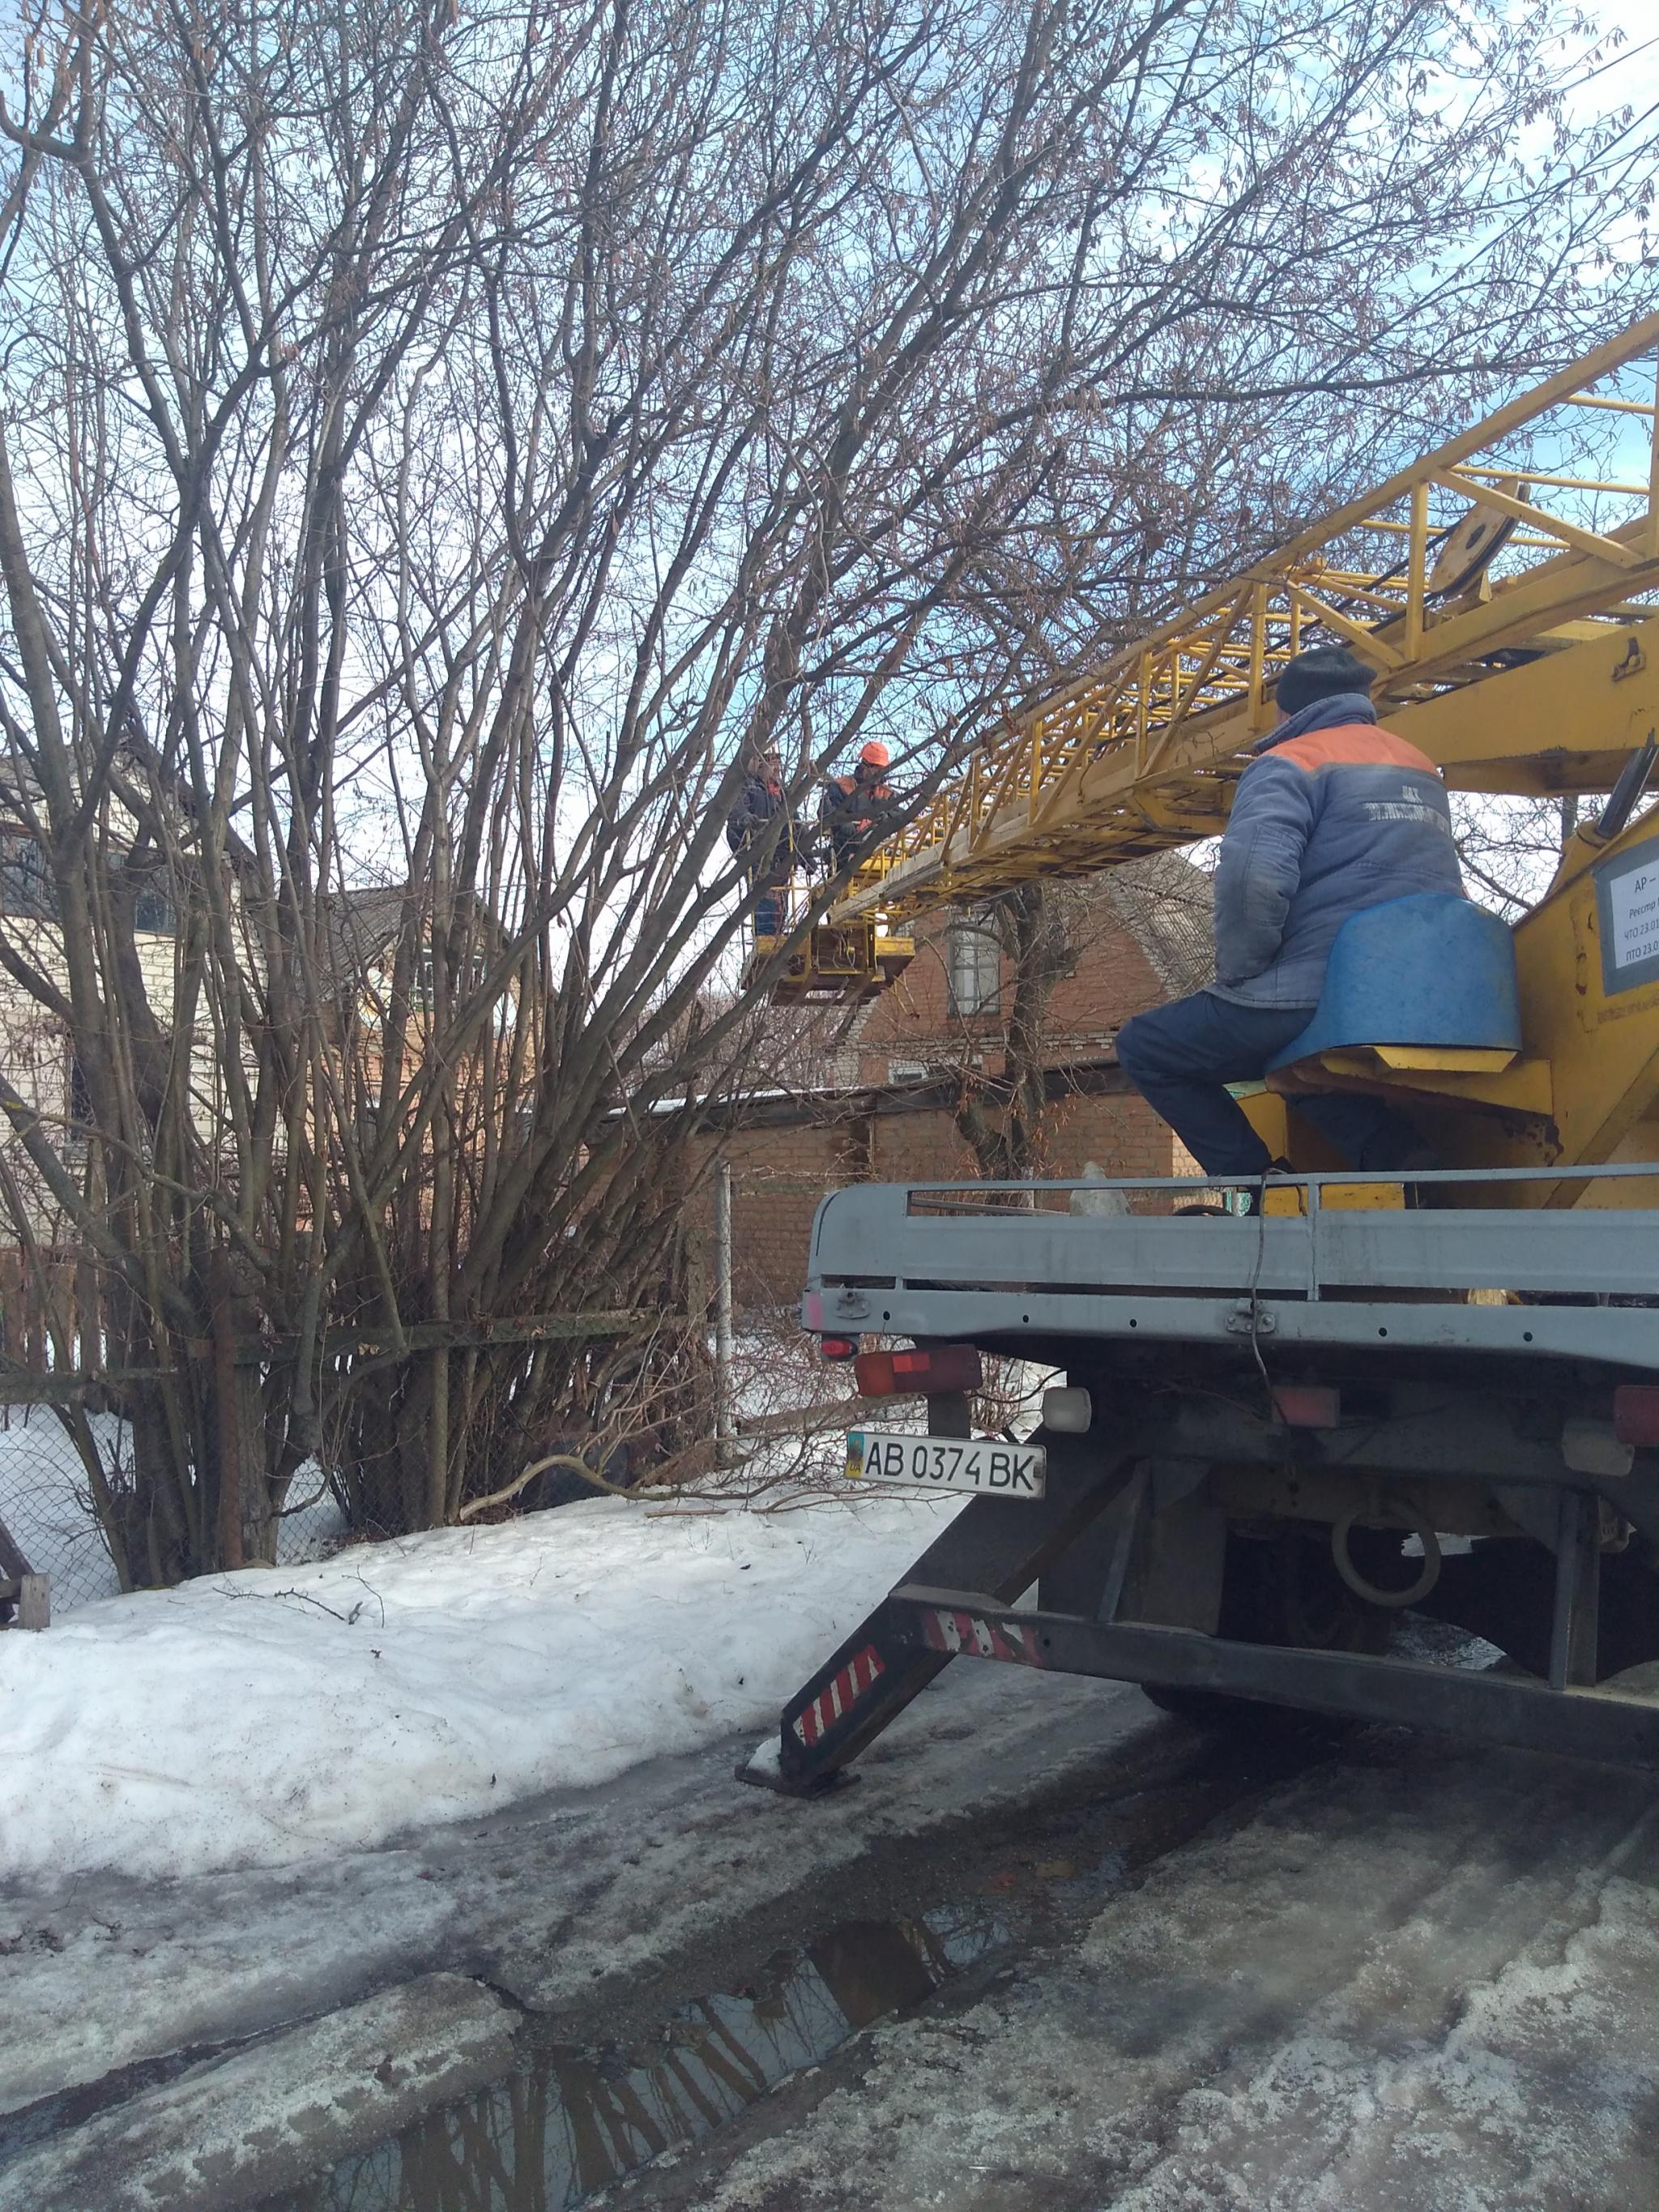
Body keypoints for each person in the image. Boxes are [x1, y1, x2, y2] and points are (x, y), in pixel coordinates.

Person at [1115, 645, 1465, 1186]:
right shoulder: (1418, 765)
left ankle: (1256, 1183)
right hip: (1429, 991)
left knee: (1147, 1047)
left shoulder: (1290, 760)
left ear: (1289, 711)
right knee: (1294, 1065)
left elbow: (1252, 879)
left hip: (1326, 987)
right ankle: (1401, 1158)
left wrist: (1240, 974)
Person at [726, 746, 801, 937]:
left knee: (781, 904)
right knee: (764, 905)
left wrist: (805, 854)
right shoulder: (749, 787)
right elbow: (736, 808)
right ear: (760, 763)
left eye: (778, 763)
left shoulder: (783, 795)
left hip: (782, 859)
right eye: (772, 763)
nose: (777, 768)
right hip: (758, 859)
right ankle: (765, 938)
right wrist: (745, 818)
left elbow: (797, 826)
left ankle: (776, 936)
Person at [820, 741, 902, 871]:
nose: (881, 774)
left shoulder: (886, 793)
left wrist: (881, 813)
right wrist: (843, 822)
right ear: (866, 765)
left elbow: (901, 818)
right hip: (844, 854)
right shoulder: (842, 786)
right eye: (878, 770)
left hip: (881, 859)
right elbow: (825, 810)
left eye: (883, 770)